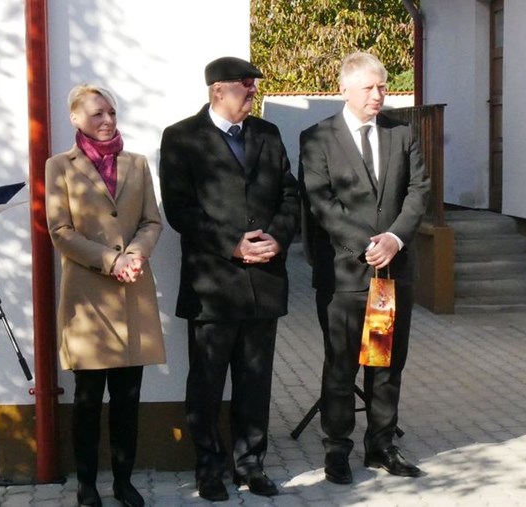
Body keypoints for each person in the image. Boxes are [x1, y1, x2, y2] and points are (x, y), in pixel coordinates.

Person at [159, 57, 300, 502]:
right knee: (206, 384)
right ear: (218, 90)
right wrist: (232, 245)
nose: (253, 90)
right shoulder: (182, 137)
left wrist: (278, 238)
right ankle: (209, 468)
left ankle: (251, 464)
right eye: (245, 84)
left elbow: (290, 194)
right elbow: (179, 209)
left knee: (255, 382)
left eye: (254, 84)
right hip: (213, 288)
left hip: (264, 283)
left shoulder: (268, 133)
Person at [298, 51, 430, 485]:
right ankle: (337, 449)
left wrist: (395, 238)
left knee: (385, 363)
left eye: (382, 87)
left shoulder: (401, 134)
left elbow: (418, 190)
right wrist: (367, 245)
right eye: (369, 88)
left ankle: (381, 445)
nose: (378, 95)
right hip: (345, 275)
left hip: (390, 272)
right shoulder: (317, 138)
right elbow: (321, 202)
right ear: (345, 90)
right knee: (341, 366)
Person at [45, 84, 165, 507]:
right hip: (88, 300)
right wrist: (112, 261)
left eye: (111, 112)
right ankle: (86, 484)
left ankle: (123, 481)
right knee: (88, 399)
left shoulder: (136, 163)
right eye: (97, 113)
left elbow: (152, 220)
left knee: (128, 398)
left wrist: (135, 254)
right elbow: (60, 231)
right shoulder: (59, 166)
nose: (107, 120)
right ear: (76, 119)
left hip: (133, 292)